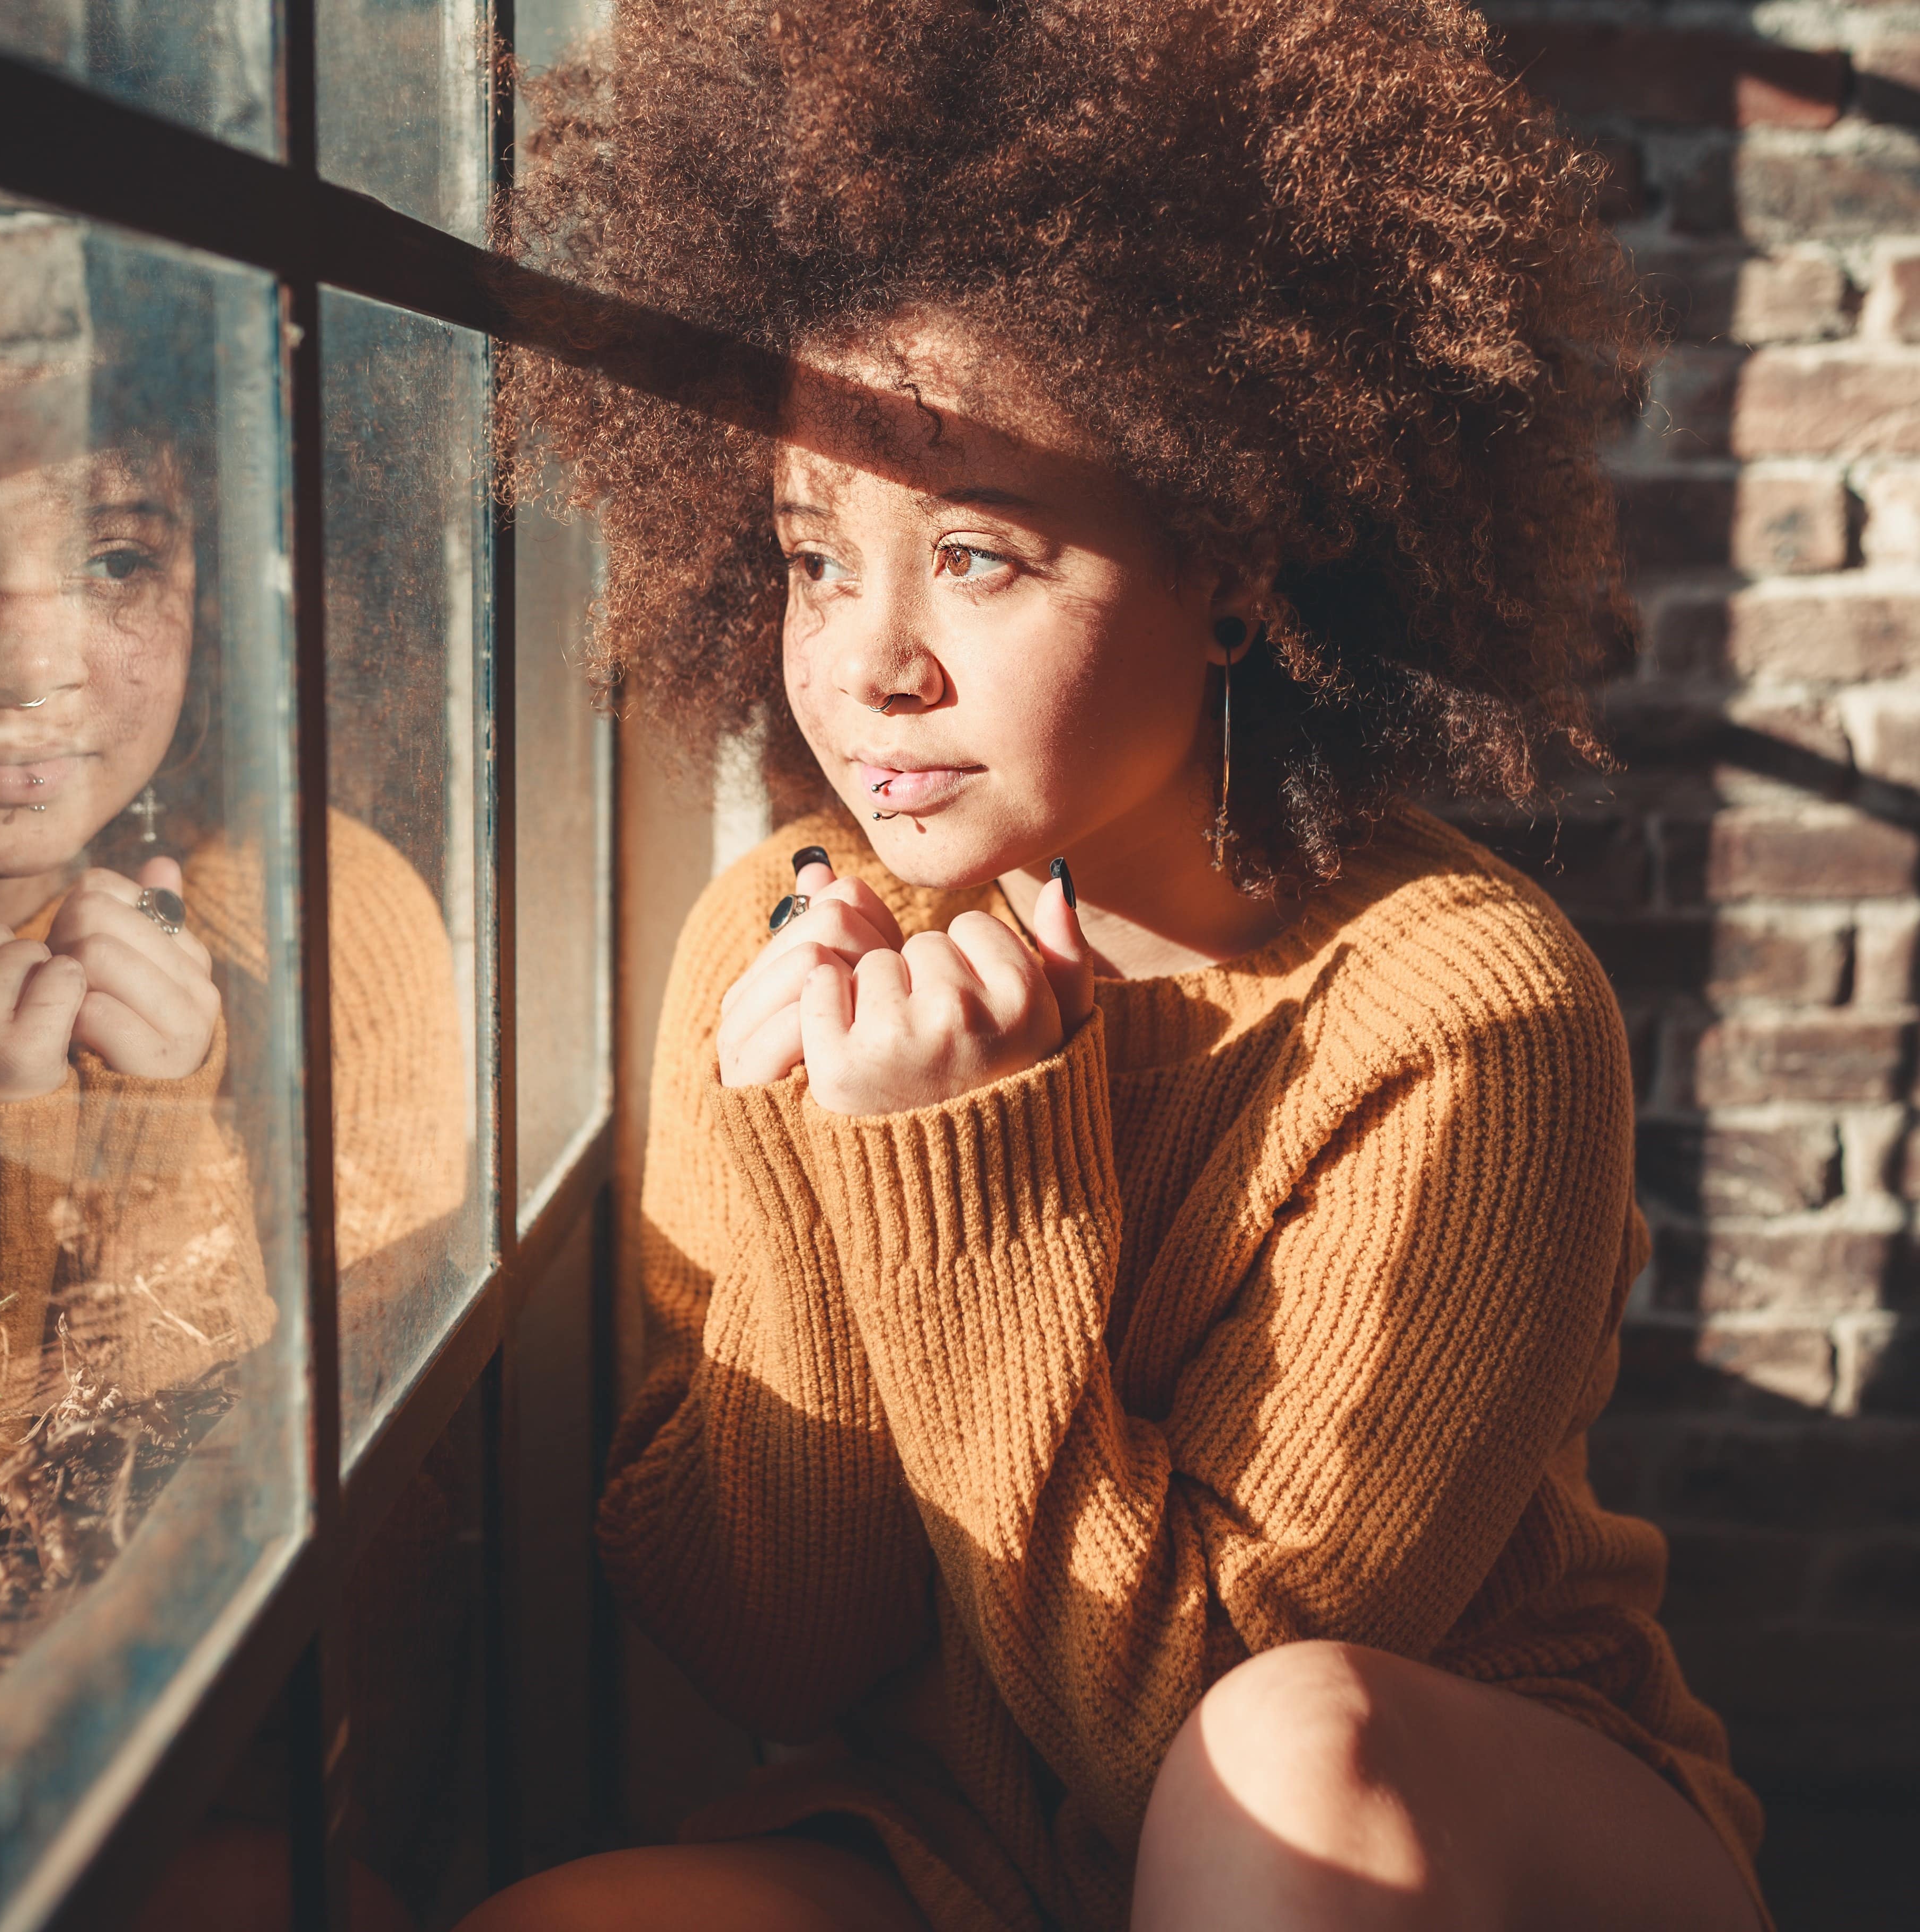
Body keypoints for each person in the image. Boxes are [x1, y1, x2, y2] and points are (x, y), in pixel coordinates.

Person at [465, 1, 1771, 1927]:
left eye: (979, 553)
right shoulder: (781, 939)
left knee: (1288, 1757)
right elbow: (773, 1654)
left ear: (1234, 560)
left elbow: (1204, 1742)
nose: (863, 662)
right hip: (952, 1834)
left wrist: (971, 1171)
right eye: (817, 556)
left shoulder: (1462, 1015)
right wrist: (850, 1138)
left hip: (1435, 1833)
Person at [0, 229, 468, 1930]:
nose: (28, 660)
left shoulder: (327, 929)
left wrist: (142, 1147)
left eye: (115, 556)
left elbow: (298, 1638)